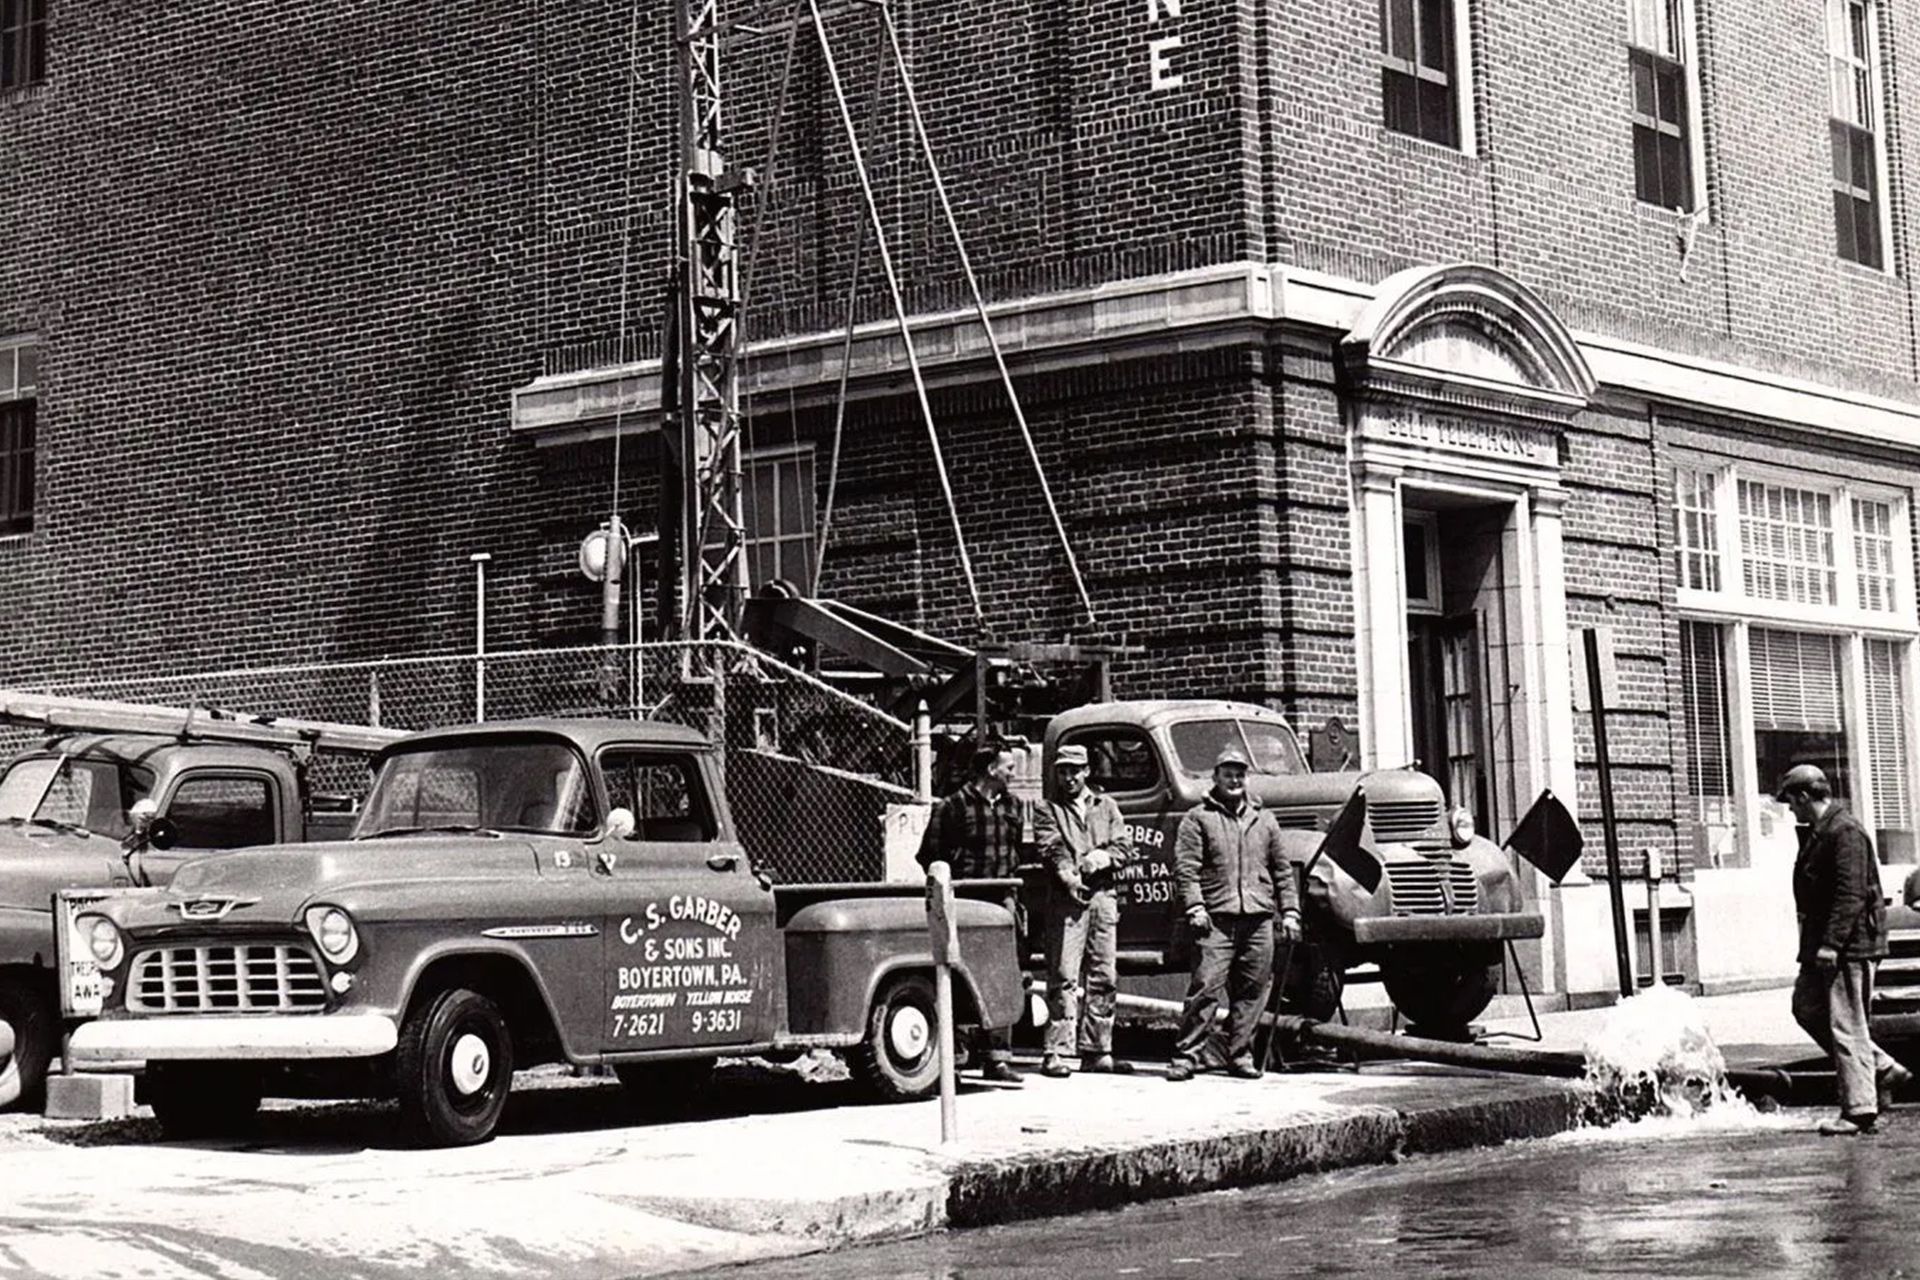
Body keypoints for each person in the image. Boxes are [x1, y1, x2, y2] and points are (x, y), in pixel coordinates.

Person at [1778, 763, 1913, 1135]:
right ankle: (1883, 1070)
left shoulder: (1844, 831)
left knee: (1846, 1024)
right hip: (1823, 945)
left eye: (1791, 801)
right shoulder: (1822, 832)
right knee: (1806, 1007)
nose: (1790, 809)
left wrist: (1831, 945)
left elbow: (1850, 895)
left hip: (1849, 946)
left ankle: (1858, 1110)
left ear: (1805, 797)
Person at [1166, 744, 1303, 1081]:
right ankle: (1187, 1056)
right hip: (1216, 919)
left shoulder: (1264, 820)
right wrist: (1195, 906)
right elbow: (1186, 869)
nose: (1234, 779)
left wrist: (1290, 913)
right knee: (1205, 989)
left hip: (1258, 918)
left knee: (1253, 992)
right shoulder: (1198, 819)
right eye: (1228, 774)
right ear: (1216, 777)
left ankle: (1240, 1055)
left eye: (1240, 774)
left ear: (1246, 778)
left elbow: (1282, 871)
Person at [917, 743, 1026, 1085]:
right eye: (1008, 767)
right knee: (957, 972)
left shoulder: (1013, 806)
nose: (1013, 774)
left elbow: (1017, 849)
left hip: (1002, 900)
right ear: (991, 770)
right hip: (964, 900)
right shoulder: (952, 806)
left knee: (1004, 973)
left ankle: (998, 1058)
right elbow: (930, 856)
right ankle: (954, 1058)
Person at [1032, 743, 1136, 1078]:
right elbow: (1051, 845)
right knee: (1063, 975)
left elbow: (1125, 846)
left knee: (1103, 975)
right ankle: (1056, 1051)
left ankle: (1097, 1049)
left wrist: (1102, 857)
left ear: (1087, 771)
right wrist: (1068, 875)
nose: (1069, 777)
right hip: (1067, 899)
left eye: (1075, 770)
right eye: (1063, 770)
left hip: (1103, 897)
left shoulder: (1106, 807)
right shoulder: (1048, 808)